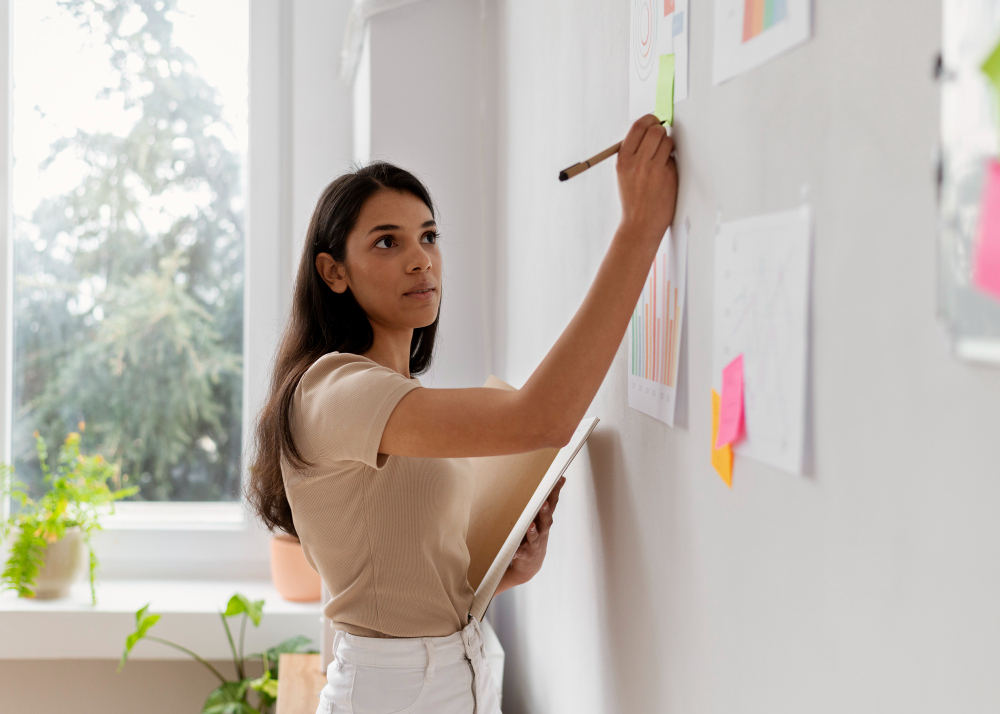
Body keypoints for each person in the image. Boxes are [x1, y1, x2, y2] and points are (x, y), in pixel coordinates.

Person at [246, 113, 678, 714]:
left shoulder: (399, 396)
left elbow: (397, 575)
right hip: (392, 694)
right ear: (333, 272)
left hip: (456, 673)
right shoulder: (335, 389)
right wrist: (639, 229)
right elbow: (543, 418)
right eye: (387, 242)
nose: (421, 260)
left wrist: (495, 576)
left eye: (428, 236)